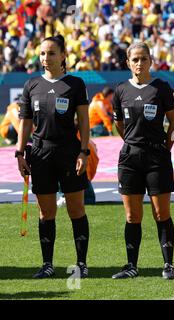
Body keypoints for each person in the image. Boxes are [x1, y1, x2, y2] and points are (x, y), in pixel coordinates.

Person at [16, 35, 90, 279]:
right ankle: (47, 264)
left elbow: (84, 122)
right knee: (46, 213)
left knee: (76, 209)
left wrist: (83, 151)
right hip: (40, 153)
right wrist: (19, 152)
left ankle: (81, 264)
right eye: (42, 54)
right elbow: (25, 122)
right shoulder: (31, 85)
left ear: (63, 56)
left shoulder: (75, 84)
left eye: (51, 53)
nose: (45, 58)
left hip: (69, 152)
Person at [111, 42, 174, 280]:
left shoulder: (161, 88)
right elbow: (119, 124)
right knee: (132, 216)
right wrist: (131, 142)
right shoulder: (120, 90)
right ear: (128, 63)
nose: (139, 63)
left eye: (144, 59)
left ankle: (169, 264)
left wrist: (165, 148)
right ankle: (131, 265)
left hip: (156, 157)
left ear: (151, 61)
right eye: (135, 59)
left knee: (161, 213)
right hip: (129, 158)